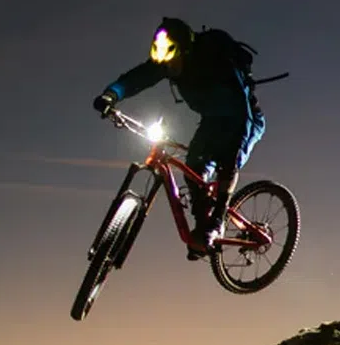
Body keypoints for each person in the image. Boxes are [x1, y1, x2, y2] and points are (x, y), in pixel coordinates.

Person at [92, 17, 267, 259]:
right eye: (166, 63)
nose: (170, 67)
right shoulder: (167, 63)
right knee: (193, 167)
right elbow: (137, 77)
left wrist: (234, 146)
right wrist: (111, 95)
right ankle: (201, 227)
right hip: (212, 120)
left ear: (185, 51)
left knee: (228, 162)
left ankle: (217, 222)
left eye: (174, 61)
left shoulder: (216, 63)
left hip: (243, 117)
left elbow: (241, 104)